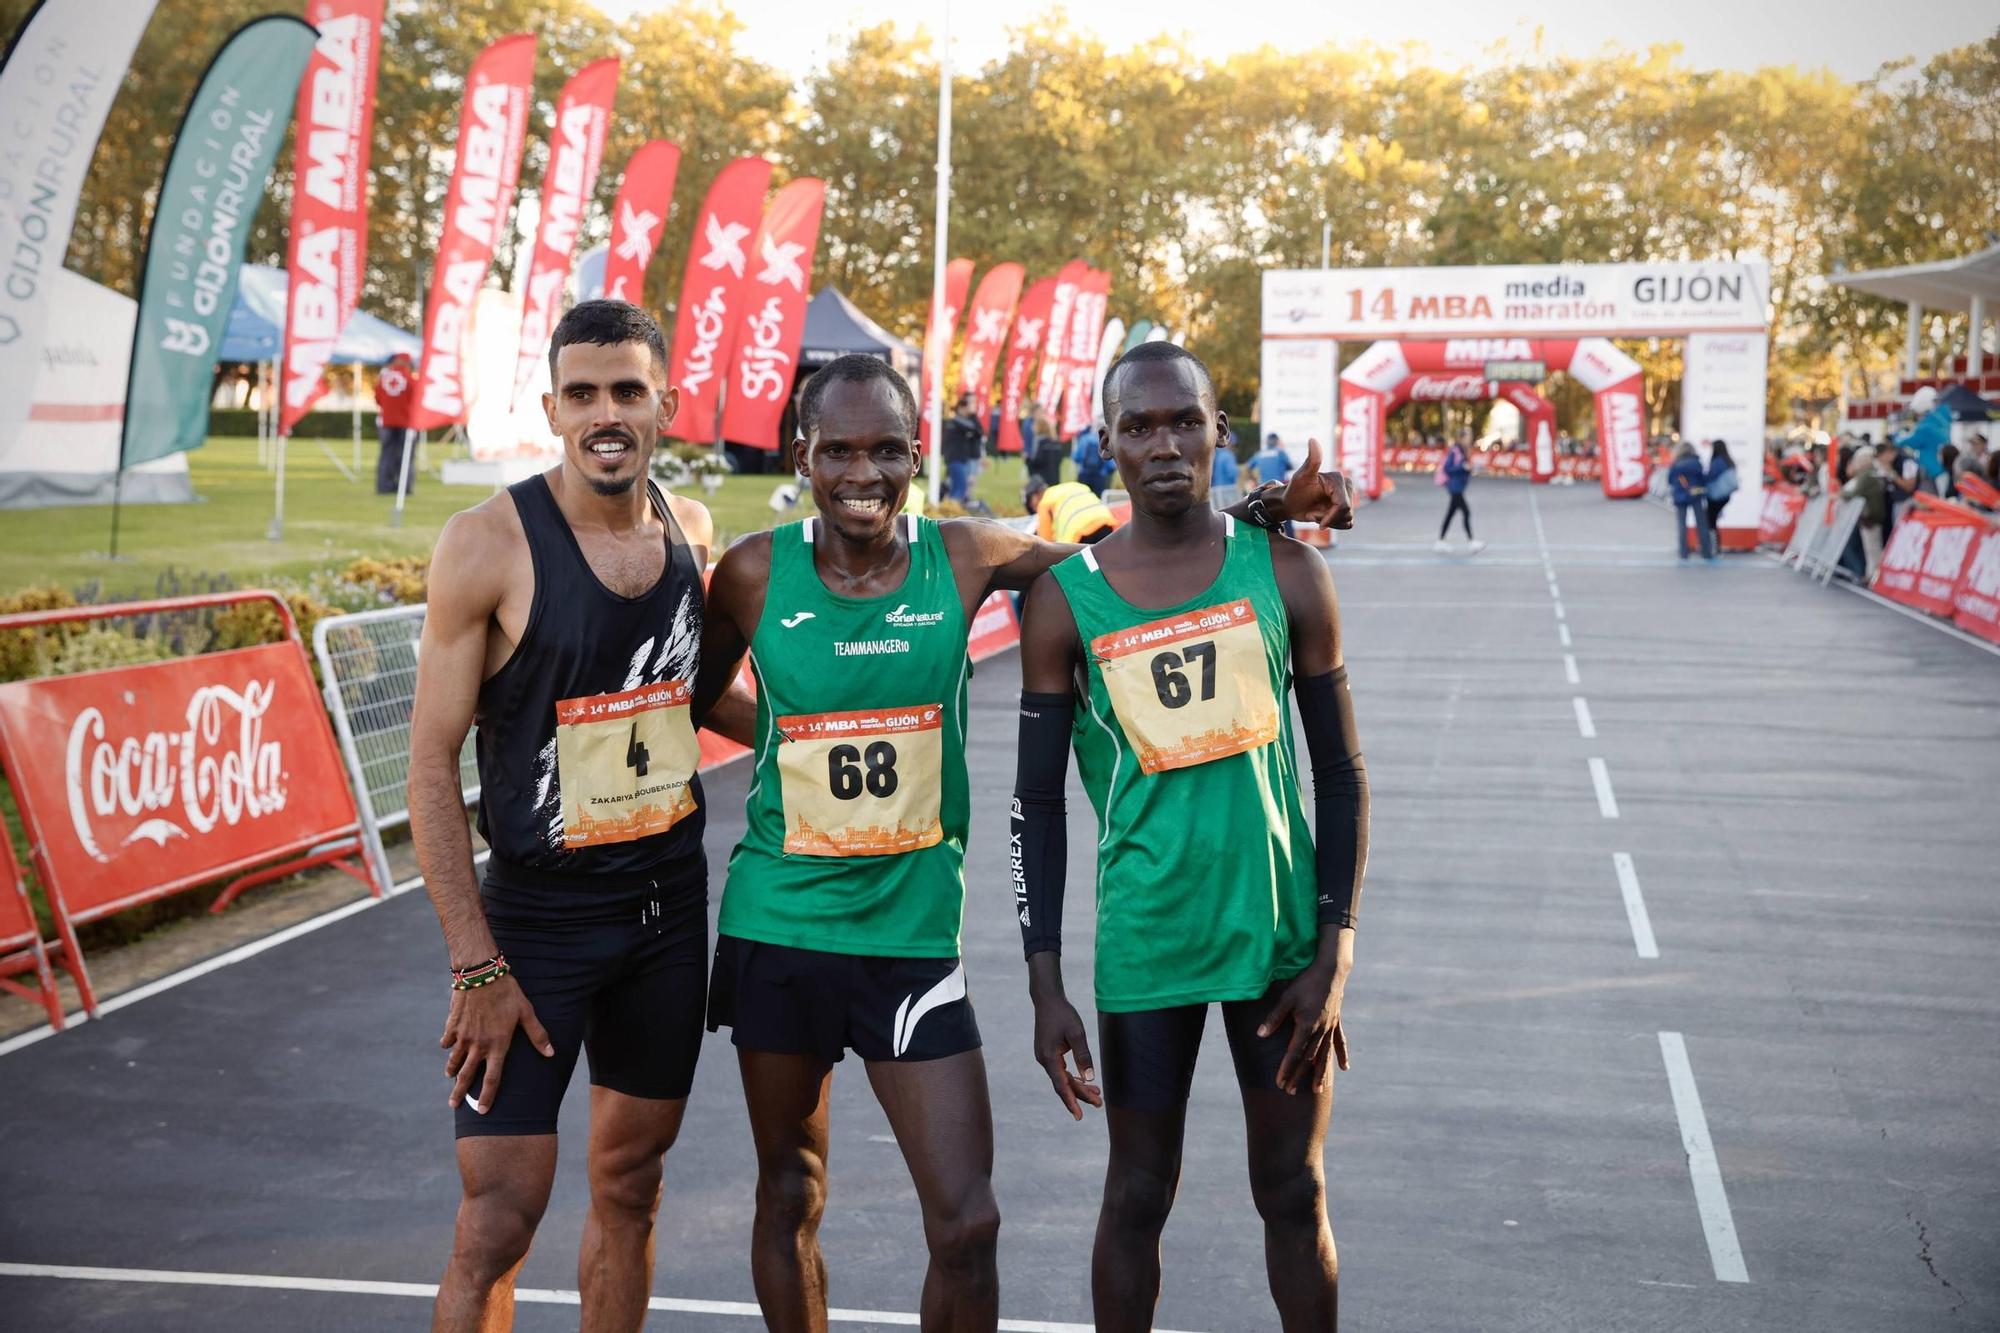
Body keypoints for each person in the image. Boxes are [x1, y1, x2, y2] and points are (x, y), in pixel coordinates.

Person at [692, 352, 1354, 1333]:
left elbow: (1122, 562)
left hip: (914, 937)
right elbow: (695, 695)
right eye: (837, 450)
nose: (860, 472)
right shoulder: (752, 571)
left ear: (916, 456)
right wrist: (782, 743)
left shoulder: (965, 555)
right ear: (802, 455)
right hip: (780, 924)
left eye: (884, 450)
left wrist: (1251, 508)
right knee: (788, 1190)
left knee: (969, 1222)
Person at [1011, 341, 1368, 1330]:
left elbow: (1338, 775)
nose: (1162, 444)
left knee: (1292, 1192)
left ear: (1220, 432)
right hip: (1147, 941)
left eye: (1183, 422)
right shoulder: (1062, 600)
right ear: (1105, 443)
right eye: (1138, 425)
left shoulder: (1286, 572)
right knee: (1134, 1197)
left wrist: (1331, 951)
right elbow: (1034, 806)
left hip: (1277, 943)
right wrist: (1044, 984)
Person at [407, 301, 745, 1330]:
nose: (607, 413)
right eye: (584, 394)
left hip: (664, 915)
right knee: (496, 1219)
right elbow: (427, 764)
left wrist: (809, 735)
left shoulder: (686, 534)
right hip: (535, 928)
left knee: (631, 1186)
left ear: (666, 408)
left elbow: (682, 696)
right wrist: (475, 959)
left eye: (628, 392)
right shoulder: (485, 544)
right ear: (552, 408)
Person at [1839, 444, 1888, 580]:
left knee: (1873, 547)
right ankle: (1871, 574)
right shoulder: (1872, 473)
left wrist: (1842, 493)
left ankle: (1874, 576)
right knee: (1871, 547)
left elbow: (1856, 492)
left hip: (1870, 515)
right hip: (1871, 515)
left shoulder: (1867, 475)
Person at [1026, 475, 1119, 545]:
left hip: (1080, 534)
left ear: (1036, 495)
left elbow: (1045, 543)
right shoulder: (1073, 485)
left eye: (1032, 504)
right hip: (1105, 523)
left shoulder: (1045, 501)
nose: (1034, 509)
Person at [374, 351, 416, 495]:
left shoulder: (383, 378)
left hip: (386, 422)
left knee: (386, 455)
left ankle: (384, 485)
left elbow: (377, 399)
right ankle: (405, 487)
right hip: (406, 422)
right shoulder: (410, 379)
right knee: (406, 456)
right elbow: (415, 400)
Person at [1433, 434, 1481, 553]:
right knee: (1466, 512)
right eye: (1466, 438)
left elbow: (1465, 469)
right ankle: (1471, 541)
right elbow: (1447, 468)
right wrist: (1462, 467)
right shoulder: (1454, 451)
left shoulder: (1463, 451)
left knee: (1450, 514)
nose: (1468, 440)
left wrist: (1469, 470)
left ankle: (1440, 541)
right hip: (1454, 488)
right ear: (1460, 438)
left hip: (1459, 487)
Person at [1667, 442, 1714, 561]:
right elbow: (1702, 479)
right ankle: (1706, 551)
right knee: (1701, 524)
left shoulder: (1676, 464)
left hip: (1680, 496)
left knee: (1682, 525)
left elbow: (1670, 480)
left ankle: (1683, 552)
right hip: (1695, 495)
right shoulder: (1696, 463)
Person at [942, 393, 986, 503]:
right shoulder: (957, 422)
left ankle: (950, 510)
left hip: (958, 459)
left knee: (957, 487)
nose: (969, 410)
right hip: (957, 459)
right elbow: (976, 429)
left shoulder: (957, 422)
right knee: (960, 488)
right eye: (967, 408)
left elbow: (978, 431)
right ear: (961, 408)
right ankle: (953, 511)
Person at [1703, 440, 1739, 543]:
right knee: (1712, 519)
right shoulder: (1728, 461)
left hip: (1715, 496)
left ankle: (1713, 545)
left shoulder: (1718, 462)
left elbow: (1710, 476)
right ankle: (1715, 545)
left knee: (1710, 520)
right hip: (1725, 495)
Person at [1073, 421, 1116, 495]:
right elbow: (1110, 465)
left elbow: (1076, 457)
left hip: (1084, 475)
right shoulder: (1105, 441)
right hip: (1100, 477)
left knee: (1083, 498)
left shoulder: (1084, 439)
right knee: (1098, 500)